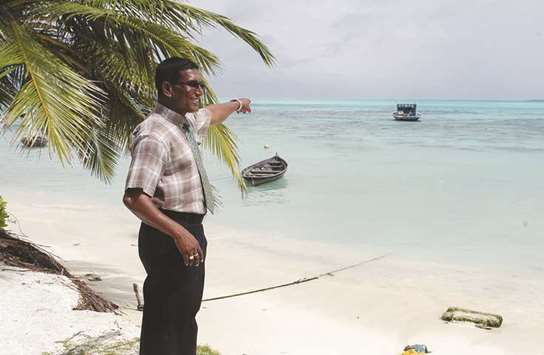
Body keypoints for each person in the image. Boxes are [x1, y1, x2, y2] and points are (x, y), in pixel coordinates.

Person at [123, 57, 251, 355]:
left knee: (184, 316)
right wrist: (178, 233)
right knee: (164, 321)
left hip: (190, 230)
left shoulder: (186, 123)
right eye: (193, 85)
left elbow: (212, 113)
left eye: (201, 85)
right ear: (168, 88)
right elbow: (134, 197)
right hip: (167, 233)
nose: (199, 91)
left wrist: (237, 103)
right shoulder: (154, 134)